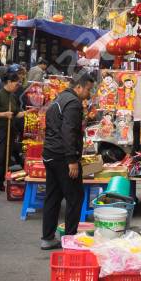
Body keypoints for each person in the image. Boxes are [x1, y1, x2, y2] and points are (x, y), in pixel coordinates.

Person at [40, 71, 96, 250]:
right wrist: (72, 159)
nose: (89, 93)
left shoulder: (60, 98)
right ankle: (70, 239)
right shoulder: (73, 104)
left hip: (50, 153)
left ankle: (47, 238)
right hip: (63, 157)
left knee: (53, 197)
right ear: (78, 87)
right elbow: (69, 131)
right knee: (75, 197)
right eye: (88, 89)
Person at [0, 72, 23, 194]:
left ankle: (1, 182)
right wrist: (3, 114)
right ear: (9, 82)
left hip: (10, 129)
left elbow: (16, 113)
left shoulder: (13, 96)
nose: (17, 85)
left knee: (7, 157)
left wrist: (28, 112)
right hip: (0, 129)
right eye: (16, 83)